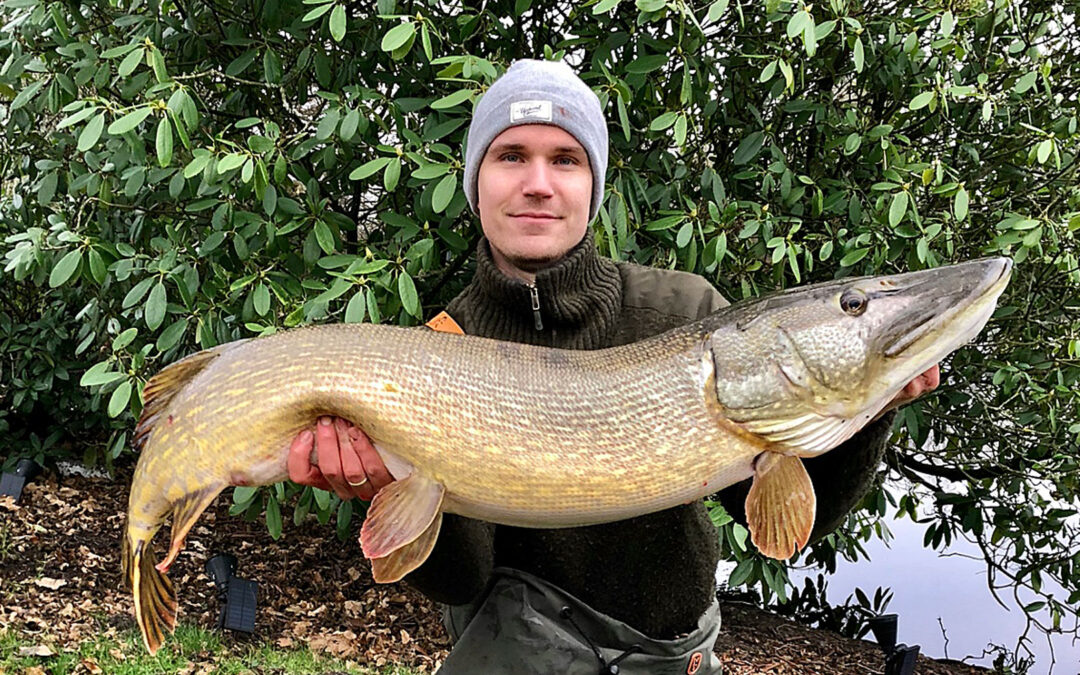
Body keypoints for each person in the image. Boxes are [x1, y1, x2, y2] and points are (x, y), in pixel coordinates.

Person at [287, 59, 939, 673]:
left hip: (668, 653)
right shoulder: (444, 341)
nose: (538, 182)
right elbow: (463, 580)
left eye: (565, 159)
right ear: (475, 181)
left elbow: (783, 511)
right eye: (511, 155)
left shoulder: (684, 311)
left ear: (593, 184)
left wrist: (870, 408)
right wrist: (383, 482)